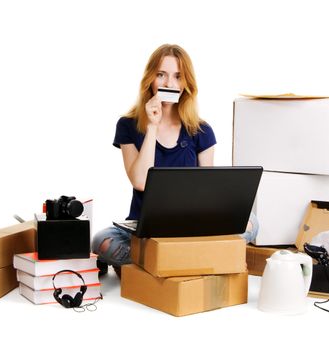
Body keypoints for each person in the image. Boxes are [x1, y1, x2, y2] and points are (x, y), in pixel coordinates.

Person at [92, 44, 258, 278]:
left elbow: (207, 189)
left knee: (250, 222)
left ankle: (160, 261)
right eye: (161, 75)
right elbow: (140, 181)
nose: (169, 84)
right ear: (150, 79)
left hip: (190, 230)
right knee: (102, 241)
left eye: (178, 77)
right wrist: (152, 126)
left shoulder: (201, 130)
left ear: (186, 84)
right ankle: (186, 260)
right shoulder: (128, 125)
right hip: (144, 230)